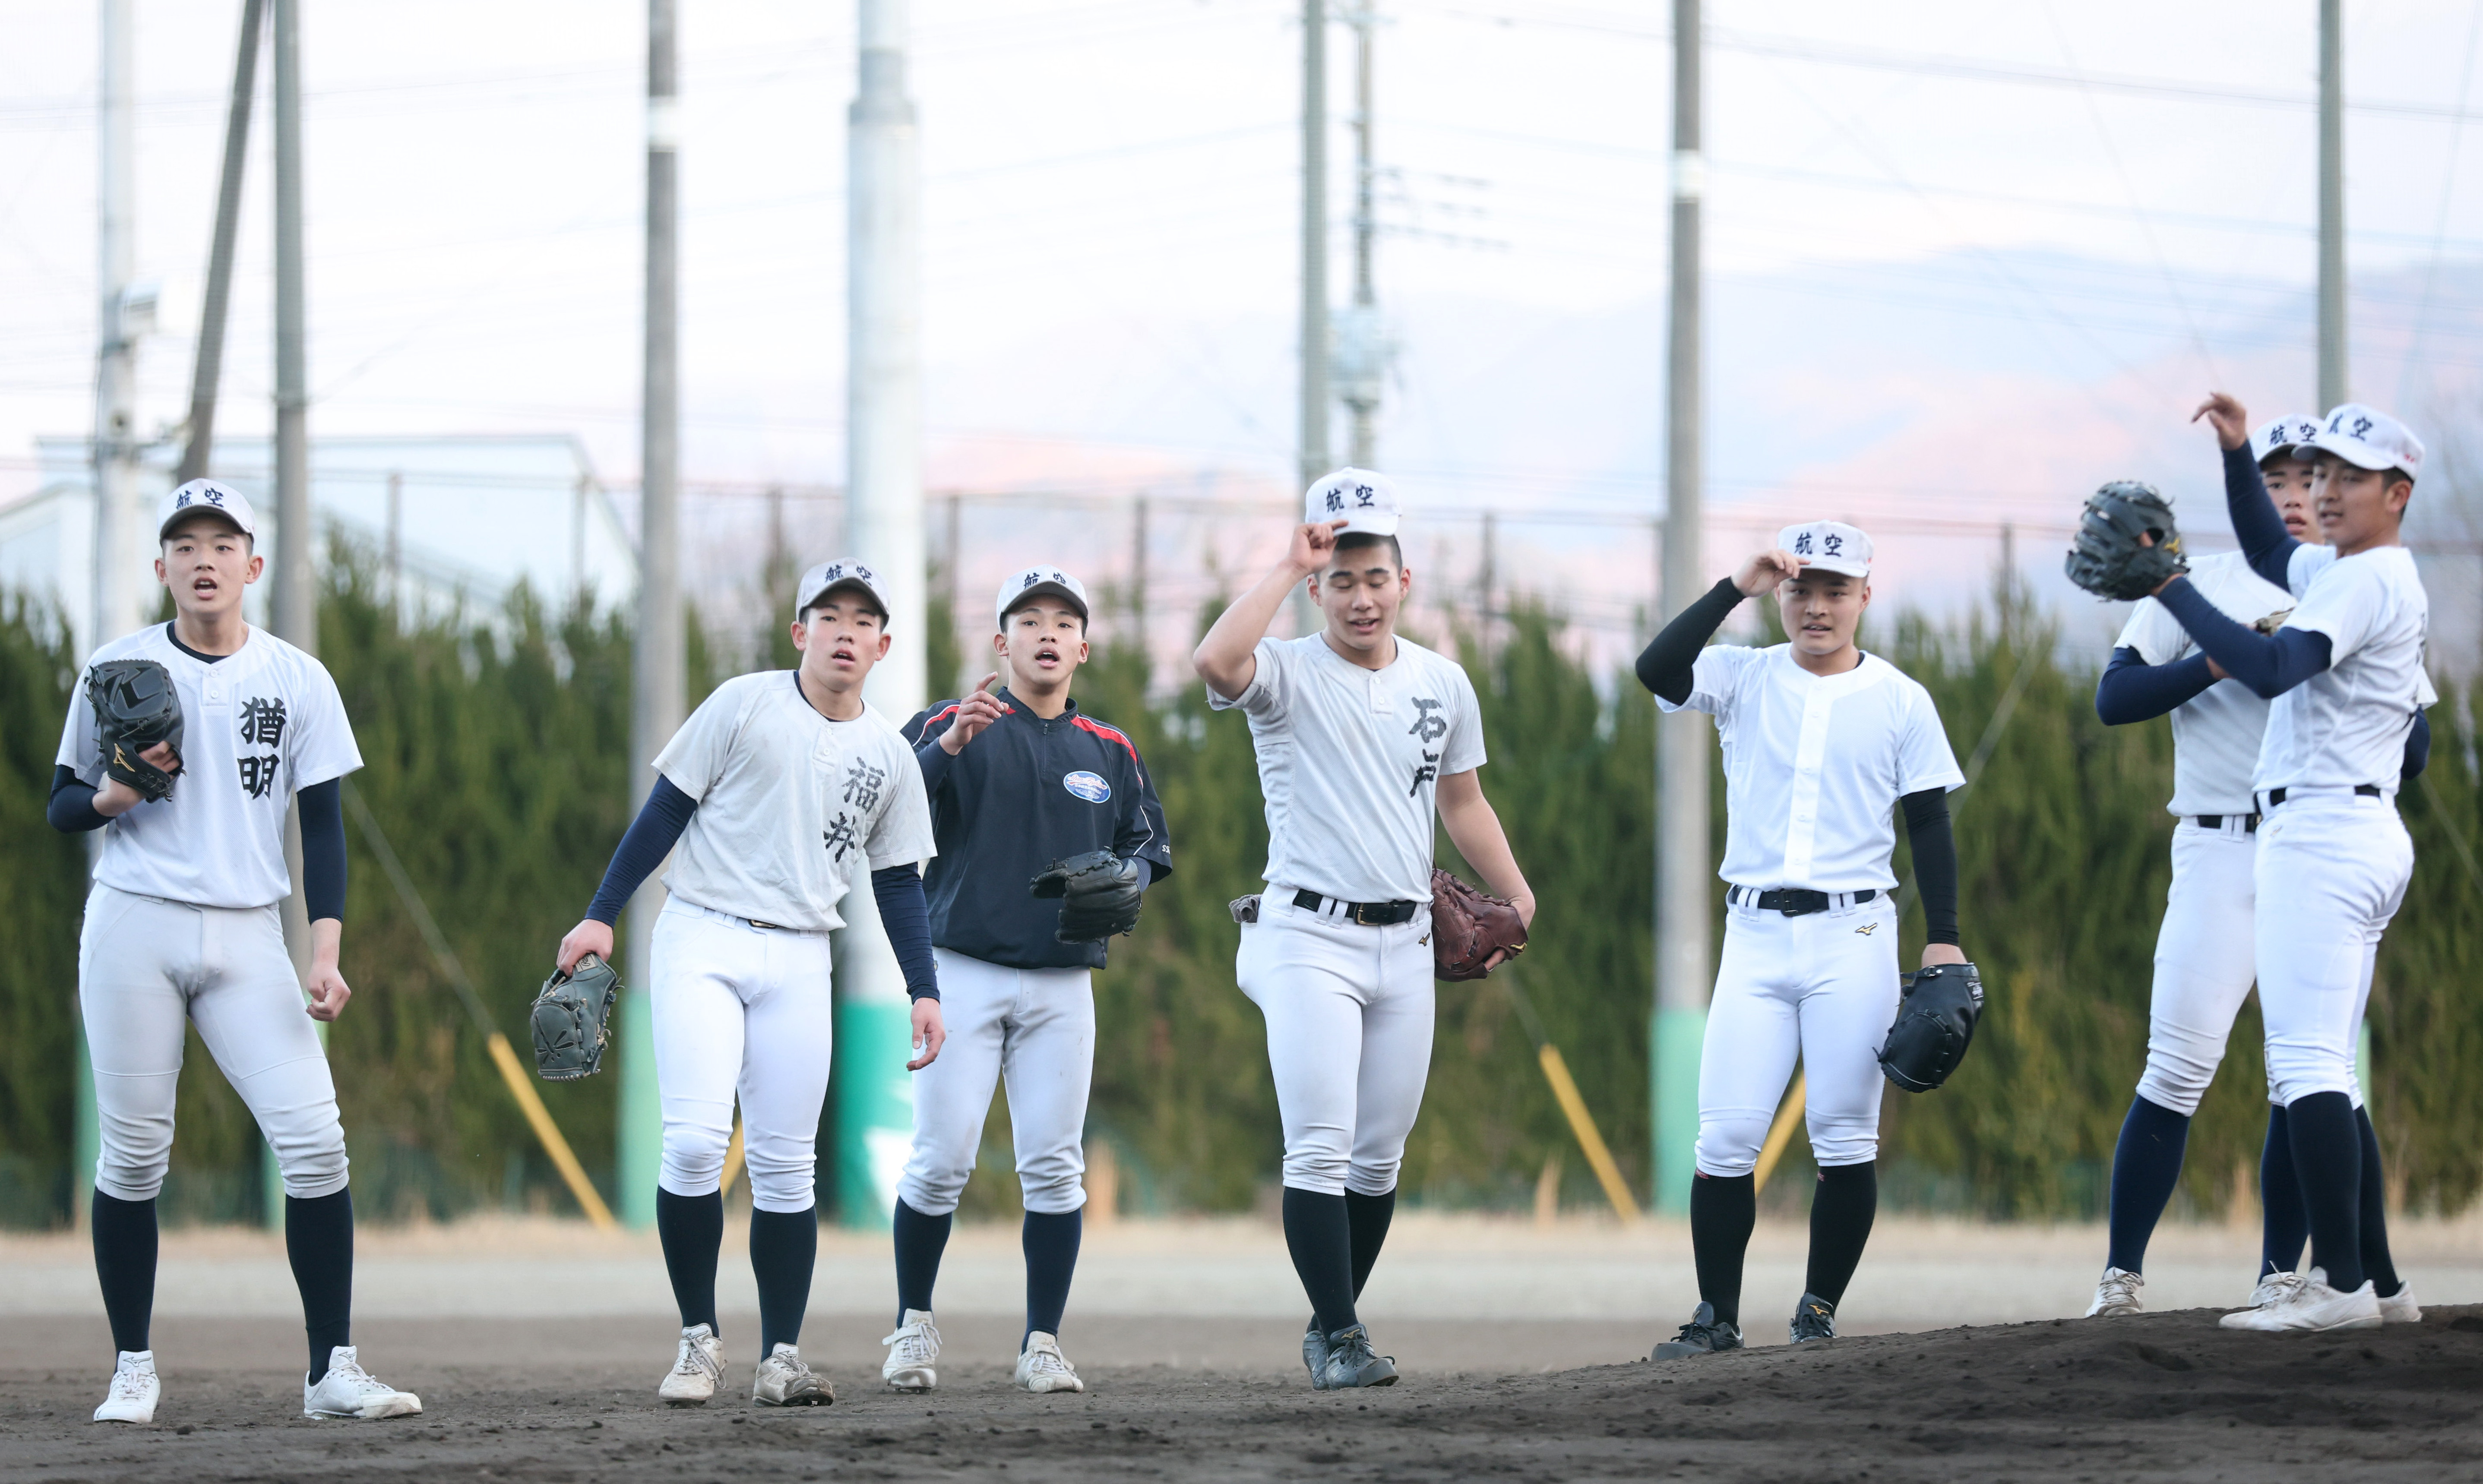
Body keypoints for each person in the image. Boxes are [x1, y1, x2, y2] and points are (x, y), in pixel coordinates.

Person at [52, 480, 421, 1424]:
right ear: (163, 567)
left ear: (253, 566)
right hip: (135, 917)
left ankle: (331, 1371)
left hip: (250, 928)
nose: (203, 558)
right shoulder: (117, 665)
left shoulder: (297, 678)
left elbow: (323, 827)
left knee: (315, 1145)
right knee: (134, 1158)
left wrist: (324, 948)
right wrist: (111, 798)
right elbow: (61, 806)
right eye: (185, 544)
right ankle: (132, 1367)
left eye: (222, 542)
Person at [554, 559, 941, 1405]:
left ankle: (780, 1358)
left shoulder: (889, 754)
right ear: (799, 632)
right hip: (702, 933)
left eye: (861, 620)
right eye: (828, 615)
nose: (845, 630)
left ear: (883, 644)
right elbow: (665, 810)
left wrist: (923, 987)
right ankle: (698, 1341)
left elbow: (899, 883)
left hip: (804, 955)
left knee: (785, 1168)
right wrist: (601, 912)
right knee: (694, 1144)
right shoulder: (742, 702)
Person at [1191, 469, 1534, 1390]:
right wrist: (1278, 566)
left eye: (1372, 576)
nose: (1358, 596)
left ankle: (1327, 1327)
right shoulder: (1288, 675)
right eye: (1337, 579)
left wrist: (1517, 895)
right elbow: (1215, 665)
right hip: (1306, 936)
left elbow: (1461, 801)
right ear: (1315, 588)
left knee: (1377, 1159)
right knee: (1319, 1145)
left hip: (1406, 941)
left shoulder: (1441, 681)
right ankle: (1342, 1336)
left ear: (1402, 580)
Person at [2084, 411, 2429, 1321]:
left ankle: (2335, 1283)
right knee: (2269, 1070)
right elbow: (2262, 559)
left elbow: (2282, 671)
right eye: (2298, 472)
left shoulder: (2358, 582)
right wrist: (2233, 451)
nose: (2310, 487)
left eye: (2333, 474)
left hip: (2319, 833)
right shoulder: (2324, 571)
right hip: (2262, 836)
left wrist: (2172, 588)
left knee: (2307, 1070)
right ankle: (2377, 1286)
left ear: (2391, 495)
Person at [1634, 521, 1967, 1357]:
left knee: (1846, 1133)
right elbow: (1655, 669)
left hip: (1853, 931)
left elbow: (1928, 822)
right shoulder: (1743, 674)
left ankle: (1817, 1310)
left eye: (1835, 590)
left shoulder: (1900, 697)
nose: (1816, 606)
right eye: (1801, 590)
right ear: (1780, 595)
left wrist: (1946, 939)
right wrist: (1732, 589)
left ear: (1865, 596)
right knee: (1726, 1137)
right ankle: (1717, 1317)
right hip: (1752, 934)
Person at [878, 566, 1173, 1396]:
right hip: (962, 972)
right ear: (1001, 641)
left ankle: (1043, 1340)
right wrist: (951, 747)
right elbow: (887, 799)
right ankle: (912, 1325)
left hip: (1059, 986)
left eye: (1064, 621)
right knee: (939, 1163)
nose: (1048, 632)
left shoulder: (1108, 749)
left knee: (1055, 1167)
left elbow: (1147, 846)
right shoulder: (953, 721)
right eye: (1029, 619)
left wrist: (1130, 878)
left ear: (1084, 645)